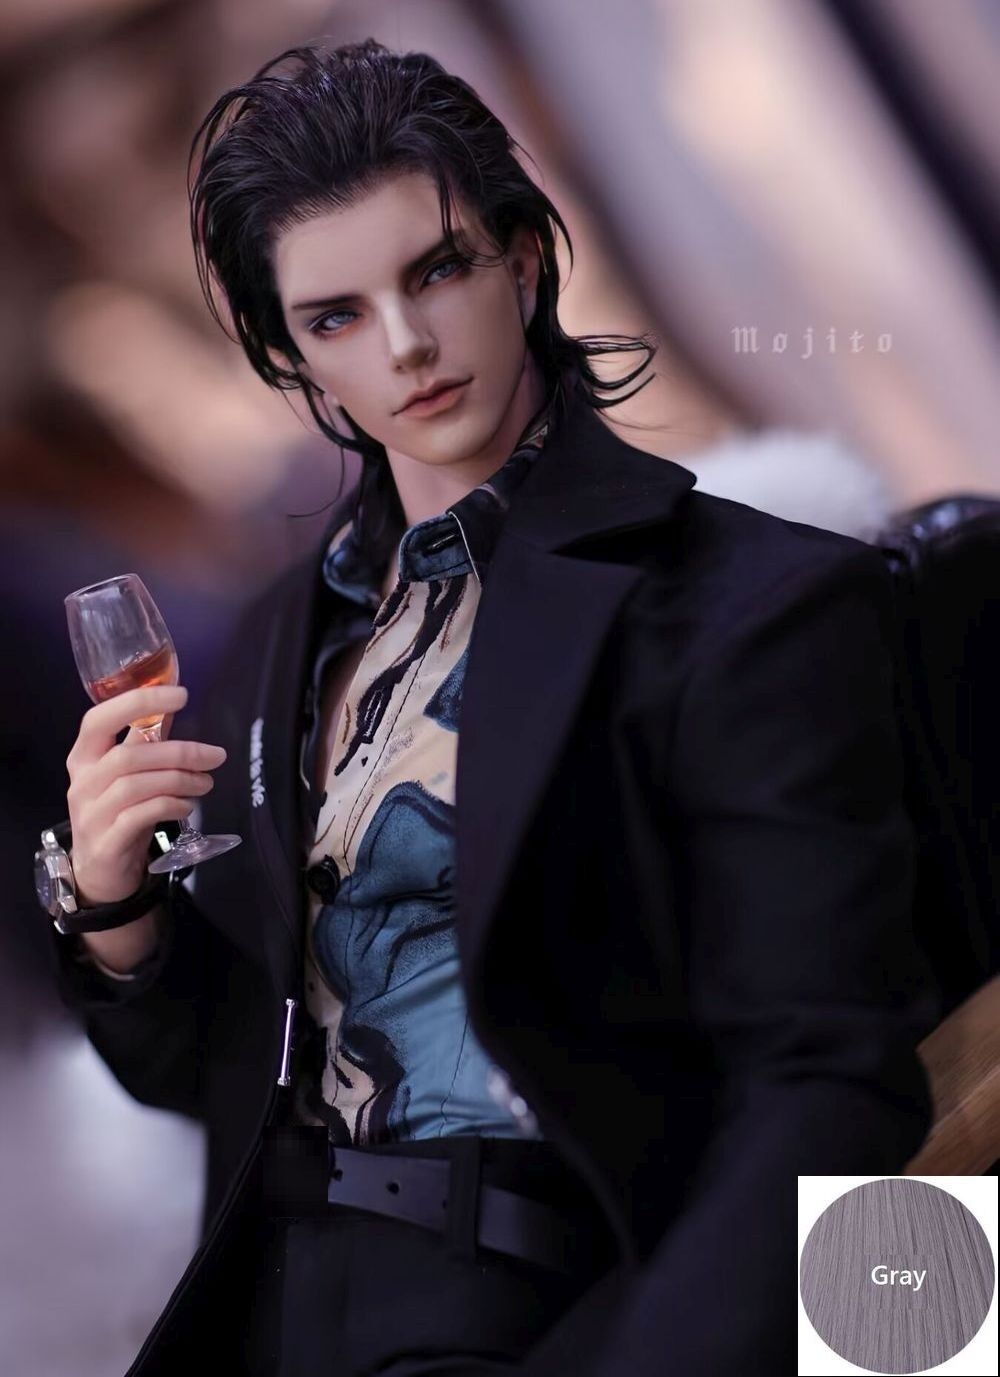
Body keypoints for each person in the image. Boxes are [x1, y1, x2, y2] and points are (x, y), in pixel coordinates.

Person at [37, 37, 940, 1377]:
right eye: (336, 317)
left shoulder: (748, 602)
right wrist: (113, 909)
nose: (405, 346)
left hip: (547, 1298)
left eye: (437, 270)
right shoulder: (284, 637)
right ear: (293, 358)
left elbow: (834, 1085)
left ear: (523, 260)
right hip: (274, 1309)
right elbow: (216, 1077)